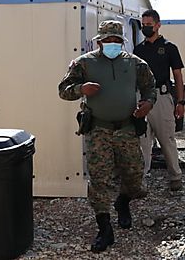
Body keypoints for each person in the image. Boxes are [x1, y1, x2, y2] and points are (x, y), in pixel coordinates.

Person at [58, 20, 156, 253]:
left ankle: (123, 201)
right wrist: (81, 89)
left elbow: (150, 87)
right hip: (98, 130)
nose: (111, 44)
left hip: (127, 128)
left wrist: (148, 103)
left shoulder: (135, 64)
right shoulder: (84, 63)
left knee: (134, 175)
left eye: (116, 40)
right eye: (107, 40)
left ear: (122, 42)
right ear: (99, 41)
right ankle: (104, 228)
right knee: (99, 180)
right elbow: (63, 90)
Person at [134, 9, 185, 192]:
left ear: (158, 24)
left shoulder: (170, 47)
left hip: (162, 97)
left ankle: (175, 176)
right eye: (143, 25)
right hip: (143, 97)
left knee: (167, 139)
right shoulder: (138, 49)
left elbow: (178, 76)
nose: (145, 28)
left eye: (149, 25)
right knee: (143, 141)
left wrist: (181, 102)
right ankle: (141, 180)